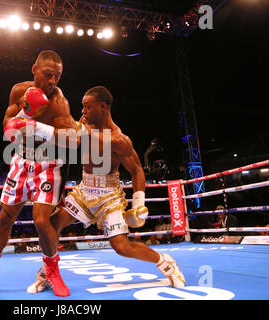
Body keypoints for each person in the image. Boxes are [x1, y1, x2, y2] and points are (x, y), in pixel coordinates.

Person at [26, 86, 185, 294]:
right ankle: (48, 273)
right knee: (51, 225)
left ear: (103, 107)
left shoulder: (119, 140)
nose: (82, 111)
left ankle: (165, 262)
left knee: (121, 246)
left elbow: (137, 170)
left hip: (109, 196)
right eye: (82, 106)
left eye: (87, 107)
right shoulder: (84, 125)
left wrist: (138, 204)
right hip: (84, 190)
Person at [0, 50, 82, 299]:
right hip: (20, 161)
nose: (53, 81)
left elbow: (73, 141)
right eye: (48, 74)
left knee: (41, 220)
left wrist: (37, 127)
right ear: (34, 70)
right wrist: (25, 113)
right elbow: (8, 127)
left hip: (48, 164)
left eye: (58, 76)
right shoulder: (19, 91)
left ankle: (52, 271)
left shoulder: (59, 103)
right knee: (5, 219)